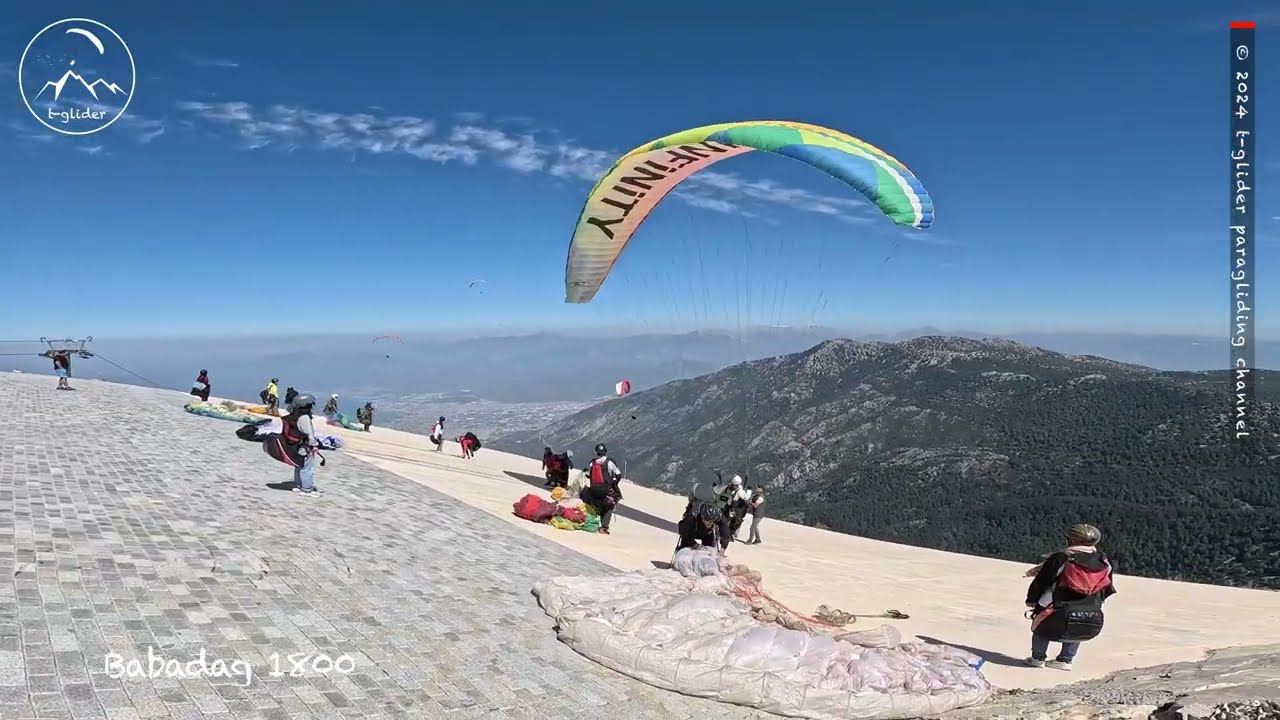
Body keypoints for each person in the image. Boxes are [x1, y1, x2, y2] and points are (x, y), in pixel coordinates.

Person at [1024, 523, 1117, 671]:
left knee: (1041, 626)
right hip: (1091, 604)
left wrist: (1032, 599)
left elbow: (1043, 580)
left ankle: (1037, 658)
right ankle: (1065, 660)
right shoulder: (1104, 560)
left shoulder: (1062, 557)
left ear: (1071, 540)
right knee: (1076, 628)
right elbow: (1107, 584)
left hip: (1058, 601)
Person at [280, 393, 323, 496]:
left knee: (299, 465)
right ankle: (307, 489)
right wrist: (314, 445)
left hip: (296, 445)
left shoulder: (294, 416)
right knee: (307, 467)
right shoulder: (304, 418)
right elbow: (309, 433)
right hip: (304, 446)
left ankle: (299, 485)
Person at [581, 443, 623, 535]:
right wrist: (614, 483)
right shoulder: (609, 462)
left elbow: (589, 476)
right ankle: (604, 528)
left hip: (593, 491)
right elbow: (618, 474)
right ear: (605, 451)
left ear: (597, 452)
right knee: (609, 506)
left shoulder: (592, 463)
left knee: (598, 505)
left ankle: (594, 522)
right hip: (606, 491)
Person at [716, 473, 751, 541]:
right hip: (730, 507)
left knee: (732, 520)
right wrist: (749, 490)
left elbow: (718, 491)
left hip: (726, 506)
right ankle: (729, 533)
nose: (733, 486)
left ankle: (727, 533)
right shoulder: (739, 491)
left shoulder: (727, 487)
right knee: (737, 520)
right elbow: (746, 497)